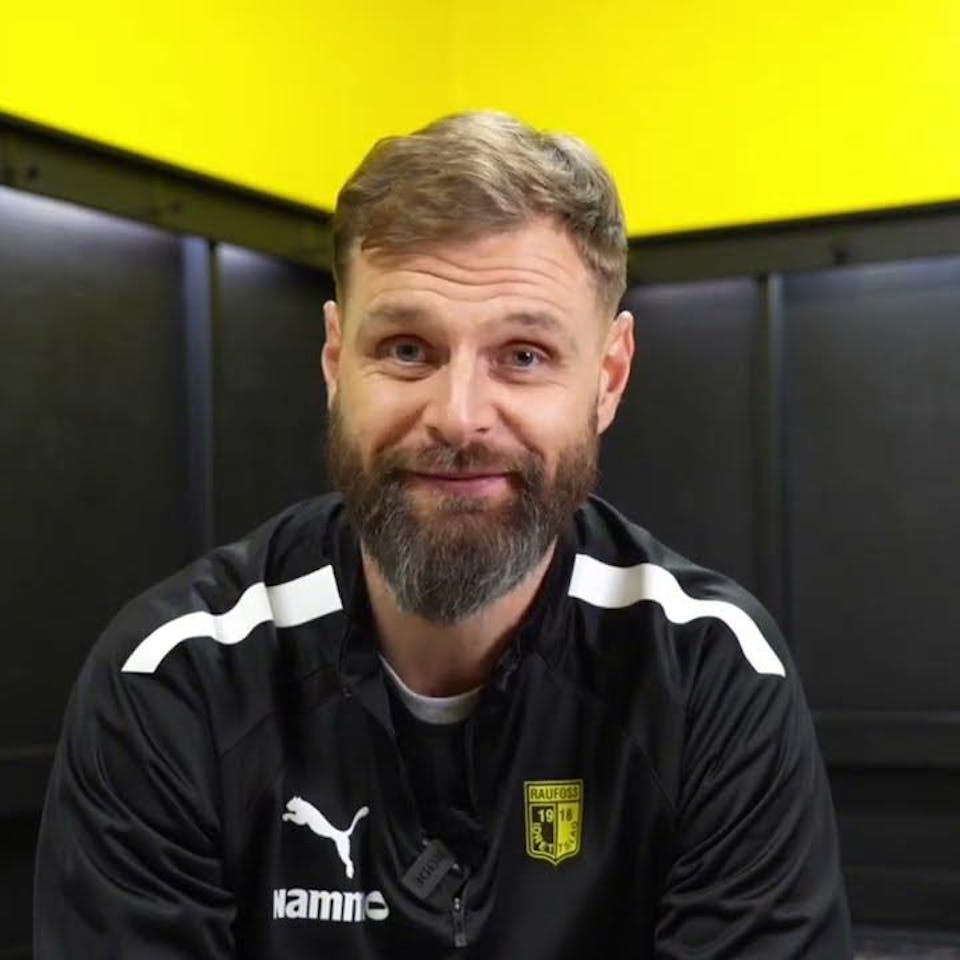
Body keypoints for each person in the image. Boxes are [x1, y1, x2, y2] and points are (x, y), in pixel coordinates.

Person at [34, 111, 852, 958]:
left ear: (608, 378)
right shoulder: (176, 682)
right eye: (406, 349)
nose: (459, 417)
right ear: (334, 362)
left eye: (524, 355)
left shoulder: (709, 675)